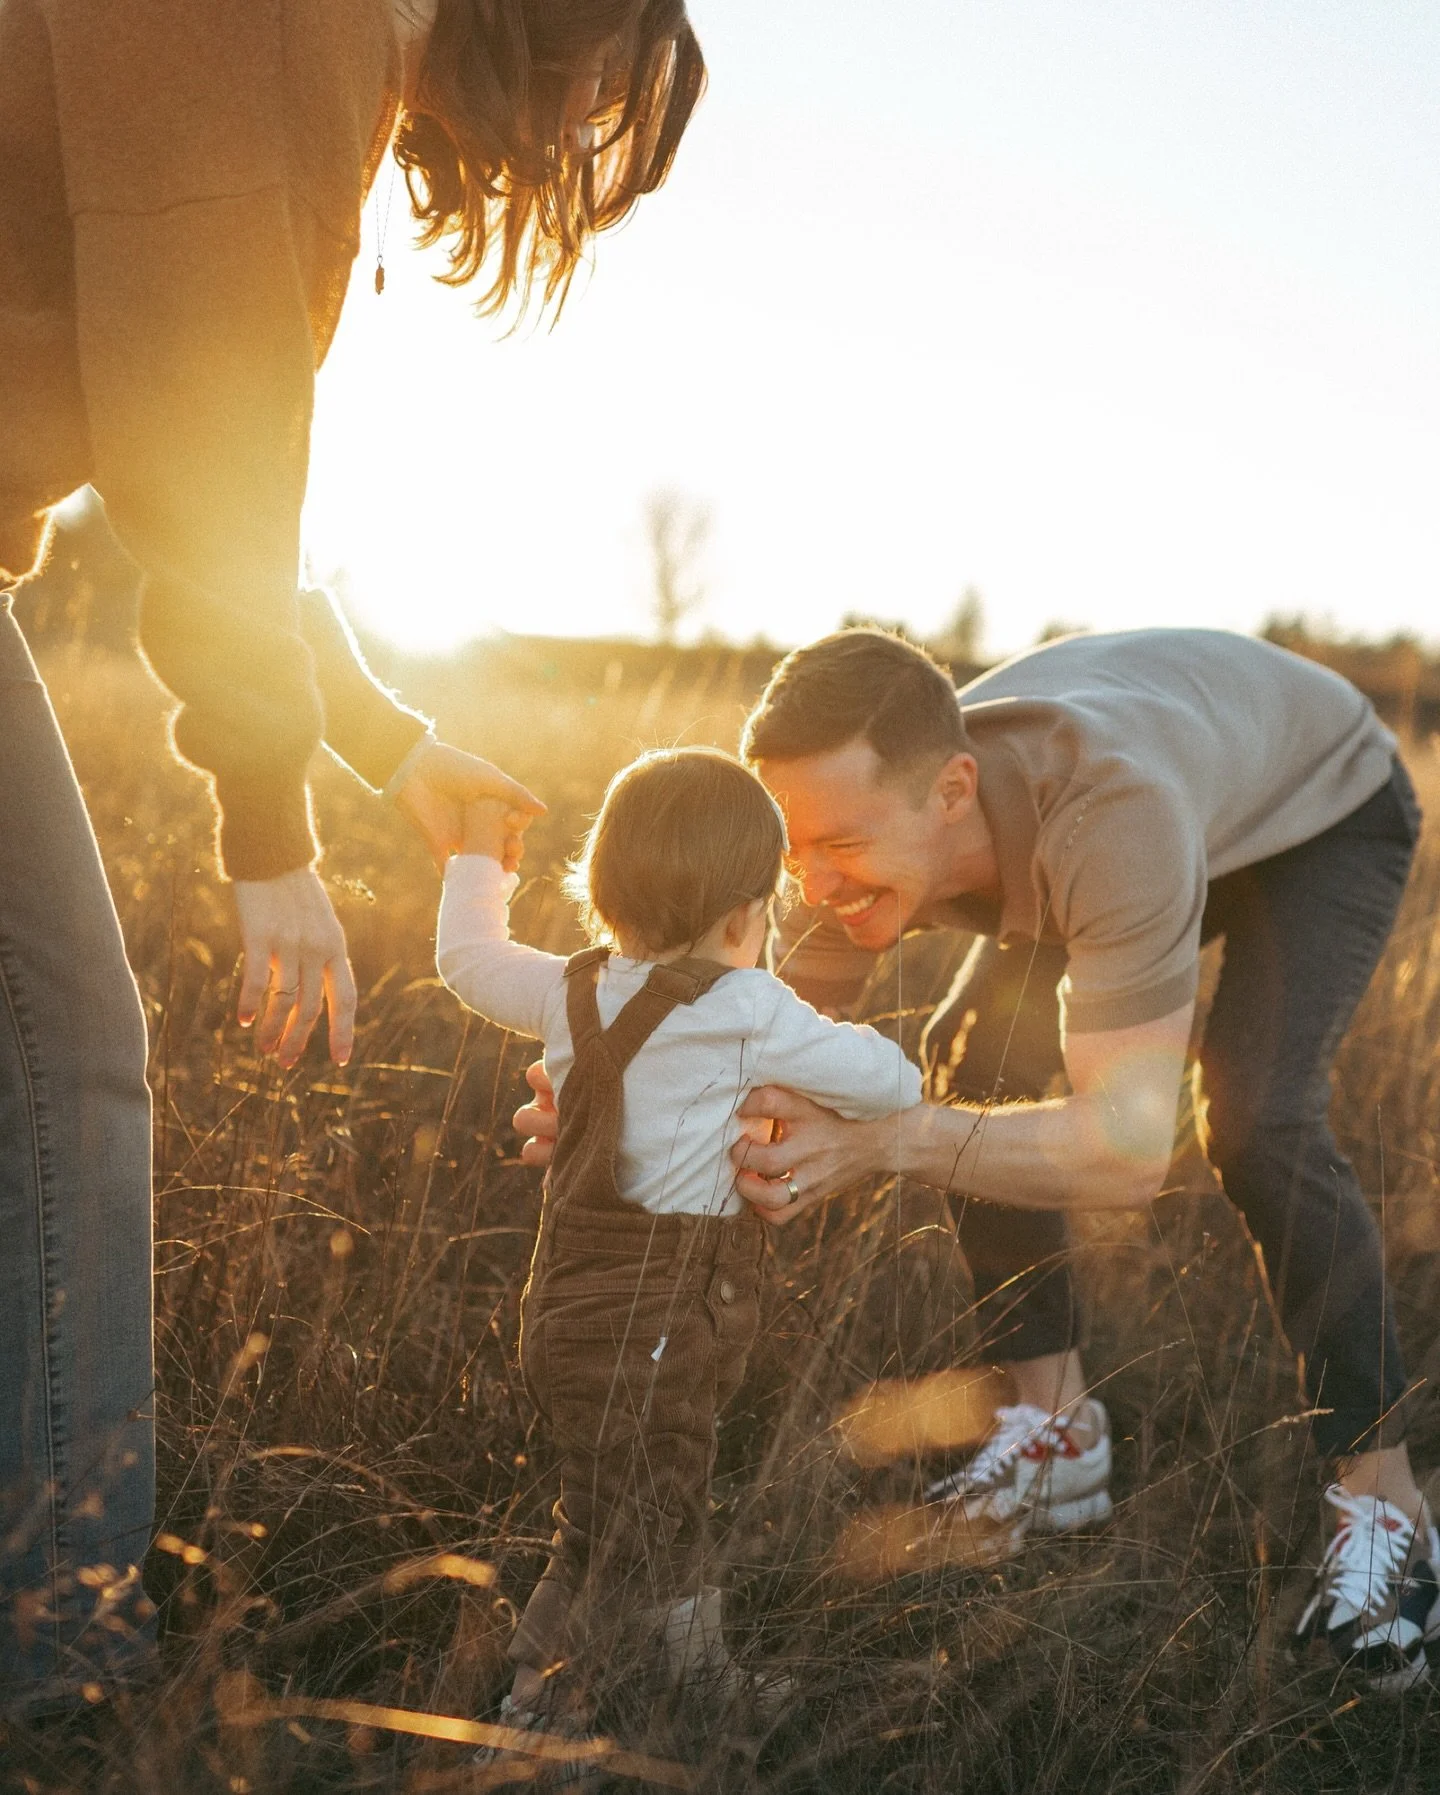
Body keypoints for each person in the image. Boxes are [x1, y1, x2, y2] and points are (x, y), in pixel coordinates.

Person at [0, 0, 705, 1712]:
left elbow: (203, 475)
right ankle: (66, 1659)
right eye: (607, 96)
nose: (576, 149)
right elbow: (206, 436)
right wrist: (265, 827)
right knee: (63, 1064)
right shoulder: (283, 21)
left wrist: (386, 743)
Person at [437, 748, 920, 1755]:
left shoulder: (571, 990)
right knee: (607, 1532)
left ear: (602, 890)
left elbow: (469, 960)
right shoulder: (747, 1008)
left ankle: (699, 1679)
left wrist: (479, 855)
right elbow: (889, 1085)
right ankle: (534, 1715)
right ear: (748, 916)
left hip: (564, 1316)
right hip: (660, 1332)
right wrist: (826, 1038)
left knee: (658, 1503)